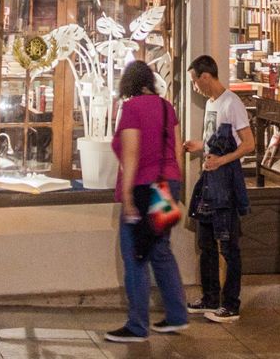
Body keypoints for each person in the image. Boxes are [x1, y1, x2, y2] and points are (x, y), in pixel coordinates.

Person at [106, 59, 188, 344]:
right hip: (166, 185)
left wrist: (127, 196)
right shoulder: (167, 107)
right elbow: (177, 152)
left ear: (128, 84)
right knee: (160, 250)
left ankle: (137, 325)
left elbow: (131, 154)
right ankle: (177, 314)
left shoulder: (131, 108)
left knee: (135, 254)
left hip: (142, 187)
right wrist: (174, 190)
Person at [183, 54, 254, 325]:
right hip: (209, 180)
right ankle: (210, 298)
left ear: (205, 76)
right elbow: (218, 140)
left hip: (225, 182)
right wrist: (200, 145)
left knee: (228, 246)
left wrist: (221, 160)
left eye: (194, 81)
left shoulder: (231, 104)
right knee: (205, 241)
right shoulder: (212, 103)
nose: (194, 87)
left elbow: (248, 144)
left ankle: (231, 305)